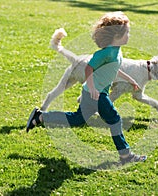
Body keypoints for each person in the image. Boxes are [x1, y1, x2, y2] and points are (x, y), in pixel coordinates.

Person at [26, 11, 147, 164]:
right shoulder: (106, 52)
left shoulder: (116, 51)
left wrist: (131, 80)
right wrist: (92, 88)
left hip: (93, 93)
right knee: (115, 120)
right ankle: (126, 155)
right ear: (117, 35)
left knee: (77, 119)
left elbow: (114, 69)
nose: (129, 35)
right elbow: (88, 68)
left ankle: (41, 116)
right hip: (96, 94)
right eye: (127, 32)